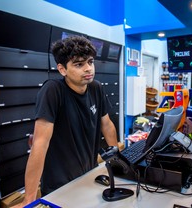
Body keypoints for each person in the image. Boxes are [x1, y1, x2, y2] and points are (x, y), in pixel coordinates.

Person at [13, 36, 118, 207]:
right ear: (62, 69)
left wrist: (116, 165)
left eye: (90, 62)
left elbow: (107, 125)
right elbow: (39, 143)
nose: (88, 69)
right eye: (79, 64)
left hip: (89, 176)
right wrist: (30, 198)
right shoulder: (53, 90)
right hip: (60, 185)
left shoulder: (96, 88)